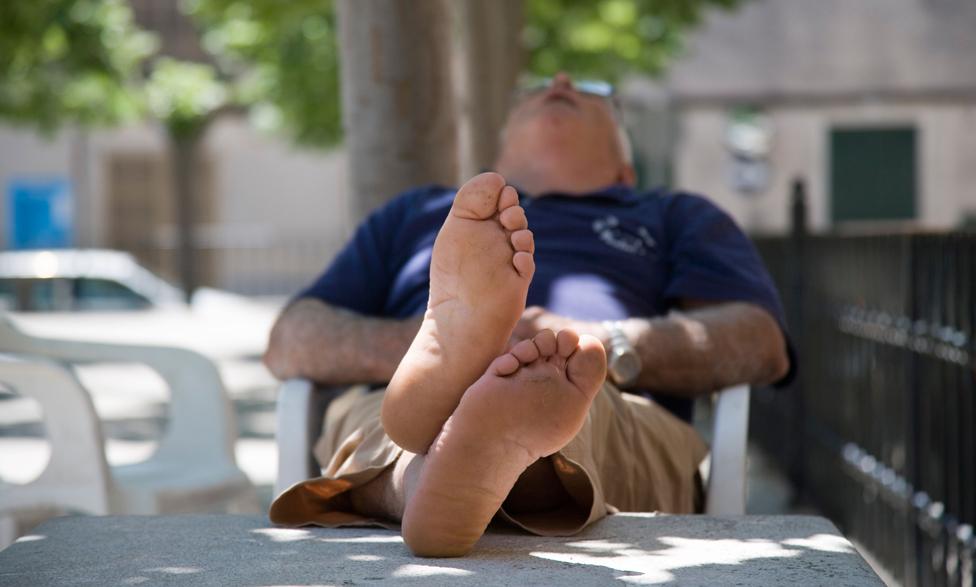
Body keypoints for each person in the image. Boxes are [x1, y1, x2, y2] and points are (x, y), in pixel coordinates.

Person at [264, 73, 792, 557]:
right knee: (393, 414)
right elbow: (290, 339)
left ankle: (436, 469)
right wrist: (413, 342)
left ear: (625, 167)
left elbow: (760, 341)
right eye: (536, 86)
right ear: (498, 147)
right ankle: (453, 389)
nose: (561, 81)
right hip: (394, 390)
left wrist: (603, 344)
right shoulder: (417, 214)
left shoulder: (673, 215)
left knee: (563, 390)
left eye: (590, 88)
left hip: (610, 398)